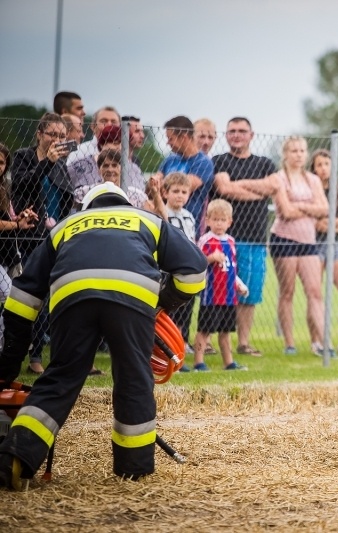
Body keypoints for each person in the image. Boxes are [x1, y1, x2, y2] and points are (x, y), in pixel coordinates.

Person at [0, 182, 207, 490]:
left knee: (60, 379)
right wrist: (162, 303)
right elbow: (195, 272)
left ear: (88, 208)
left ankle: (14, 458)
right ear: (124, 203)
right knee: (134, 379)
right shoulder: (148, 220)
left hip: (72, 298)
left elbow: (23, 295)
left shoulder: (67, 226)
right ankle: (133, 470)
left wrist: (11, 360)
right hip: (132, 298)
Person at [10, 113, 71, 375]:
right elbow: (22, 186)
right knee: (23, 295)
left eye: (62, 136)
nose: (57, 140)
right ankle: (14, 348)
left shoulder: (62, 165)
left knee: (47, 296)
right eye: (52, 134)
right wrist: (46, 162)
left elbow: (67, 197)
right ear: (39, 134)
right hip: (25, 236)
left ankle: (36, 354)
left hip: (52, 238)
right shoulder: (23, 156)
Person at [212, 117, 278, 356]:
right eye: (232, 131)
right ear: (226, 135)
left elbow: (273, 186)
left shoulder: (265, 163)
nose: (237, 135)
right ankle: (212, 341)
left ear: (252, 135)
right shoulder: (219, 161)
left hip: (256, 239)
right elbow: (224, 188)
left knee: (250, 292)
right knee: (221, 290)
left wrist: (240, 185)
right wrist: (258, 190)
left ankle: (243, 343)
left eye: (242, 131)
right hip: (225, 239)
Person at [269, 136, 329, 356]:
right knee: (287, 292)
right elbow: (285, 212)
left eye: (302, 151)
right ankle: (289, 343)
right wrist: (309, 207)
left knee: (315, 291)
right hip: (283, 239)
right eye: (294, 151)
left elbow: (324, 208)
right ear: (285, 154)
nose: (299, 155)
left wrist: (299, 206)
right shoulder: (279, 178)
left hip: (308, 241)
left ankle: (323, 343)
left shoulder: (312, 179)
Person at [192, 199, 248, 372]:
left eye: (223, 220)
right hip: (211, 295)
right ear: (208, 220)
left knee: (225, 331)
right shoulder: (206, 240)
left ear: (229, 222)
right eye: (215, 219)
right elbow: (198, 262)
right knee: (204, 330)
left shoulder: (230, 241)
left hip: (228, 296)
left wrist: (239, 284)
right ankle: (198, 362)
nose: (219, 224)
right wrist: (211, 258)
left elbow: (231, 268)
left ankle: (229, 363)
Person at [310, 148, 338, 356]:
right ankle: (317, 341)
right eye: (319, 164)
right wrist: (330, 224)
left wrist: (329, 224)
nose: (323, 168)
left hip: (333, 247)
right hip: (313, 247)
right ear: (313, 168)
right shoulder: (310, 189)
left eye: (327, 164)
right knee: (315, 294)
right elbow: (314, 224)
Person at [0, 145, 39, 349]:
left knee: (9, 299)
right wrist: (15, 225)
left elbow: (9, 218)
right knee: (11, 296)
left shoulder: (4, 187)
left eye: (1, 163)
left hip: (5, 254)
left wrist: (21, 218)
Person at [151, 116, 215, 239]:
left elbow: (184, 186)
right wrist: (156, 185)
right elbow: (152, 185)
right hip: (164, 222)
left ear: (183, 137)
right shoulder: (169, 160)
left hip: (187, 226)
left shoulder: (203, 162)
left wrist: (160, 185)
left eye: (171, 138)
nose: (168, 143)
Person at [162, 172, 197, 357]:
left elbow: (192, 241)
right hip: (169, 269)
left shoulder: (189, 217)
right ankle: (166, 343)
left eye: (184, 192)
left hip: (186, 269)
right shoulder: (162, 214)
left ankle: (182, 341)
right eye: (175, 191)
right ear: (165, 193)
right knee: (169, 307)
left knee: (186, 308)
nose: (180, 196)